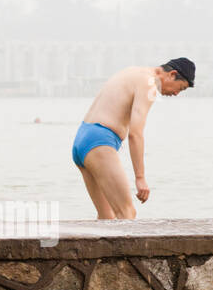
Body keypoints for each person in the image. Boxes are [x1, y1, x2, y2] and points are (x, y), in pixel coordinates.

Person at [72, 59, 194, 219]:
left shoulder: (133, 71)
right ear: (172, 75)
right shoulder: (150, 84)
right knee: (127, 214)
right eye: (181, 88)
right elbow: (135, 133)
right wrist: (140, 178)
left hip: (83, 139)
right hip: (100, 141)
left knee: (106, 217)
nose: (176, 93)